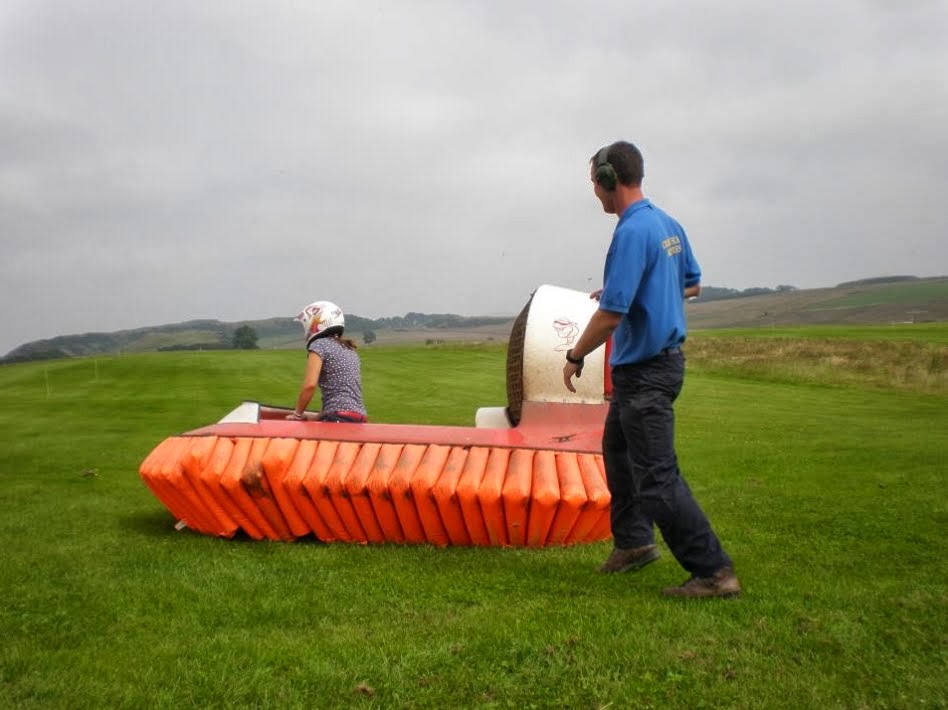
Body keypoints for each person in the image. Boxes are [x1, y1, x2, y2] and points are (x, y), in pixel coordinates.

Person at [562, 141, 740, 598]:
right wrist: (641, 291)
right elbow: (692, 283)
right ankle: (634, 544)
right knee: (618, 455)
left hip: (645, 371)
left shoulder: (631, 232)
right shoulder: (667, 225)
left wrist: (576, 354)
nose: (595, 194)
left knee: (657, 477)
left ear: (608, 179)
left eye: (594, 184)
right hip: (652, 368)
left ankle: (714, 571)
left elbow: (611, 316)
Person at [289, 300, 368, 423]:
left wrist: (297, 414)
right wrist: (318, 417)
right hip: (359, 417)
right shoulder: (349, 349)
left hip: (338, 417)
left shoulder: (319, 345)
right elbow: (342, 393)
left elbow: (309, 385)